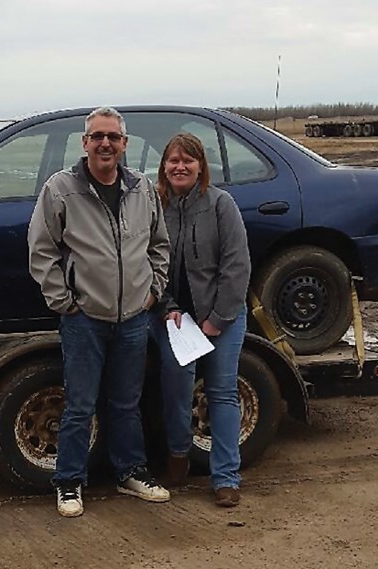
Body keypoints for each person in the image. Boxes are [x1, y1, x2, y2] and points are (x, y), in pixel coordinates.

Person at [28, 107, 171, 517]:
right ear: (84, 143)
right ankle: (69, 482)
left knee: (127, 402)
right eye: (97, 136)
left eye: (113, 137)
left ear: (124, 144)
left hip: (133, 317)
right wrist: (64, 302)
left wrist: (153, 292)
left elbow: (159, 245)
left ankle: (131, 472)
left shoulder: (142, 189)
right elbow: (42, 251)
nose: (105, 143)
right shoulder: (61, 189)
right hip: (84, 318)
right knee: (80, 404)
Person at [148, 133, 251, 508]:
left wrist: (218, 319)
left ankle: (226, 478)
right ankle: (178, 455)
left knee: (222, 393)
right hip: (175, 319)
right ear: (164, 167)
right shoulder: (155, 206)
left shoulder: (221, 205)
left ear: (201, 166)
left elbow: (237, 266)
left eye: (188, 160)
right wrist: (167, 308)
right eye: (173, 160)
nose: (180, 167)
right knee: (177, 387)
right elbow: (149, 264)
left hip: (221, 315)